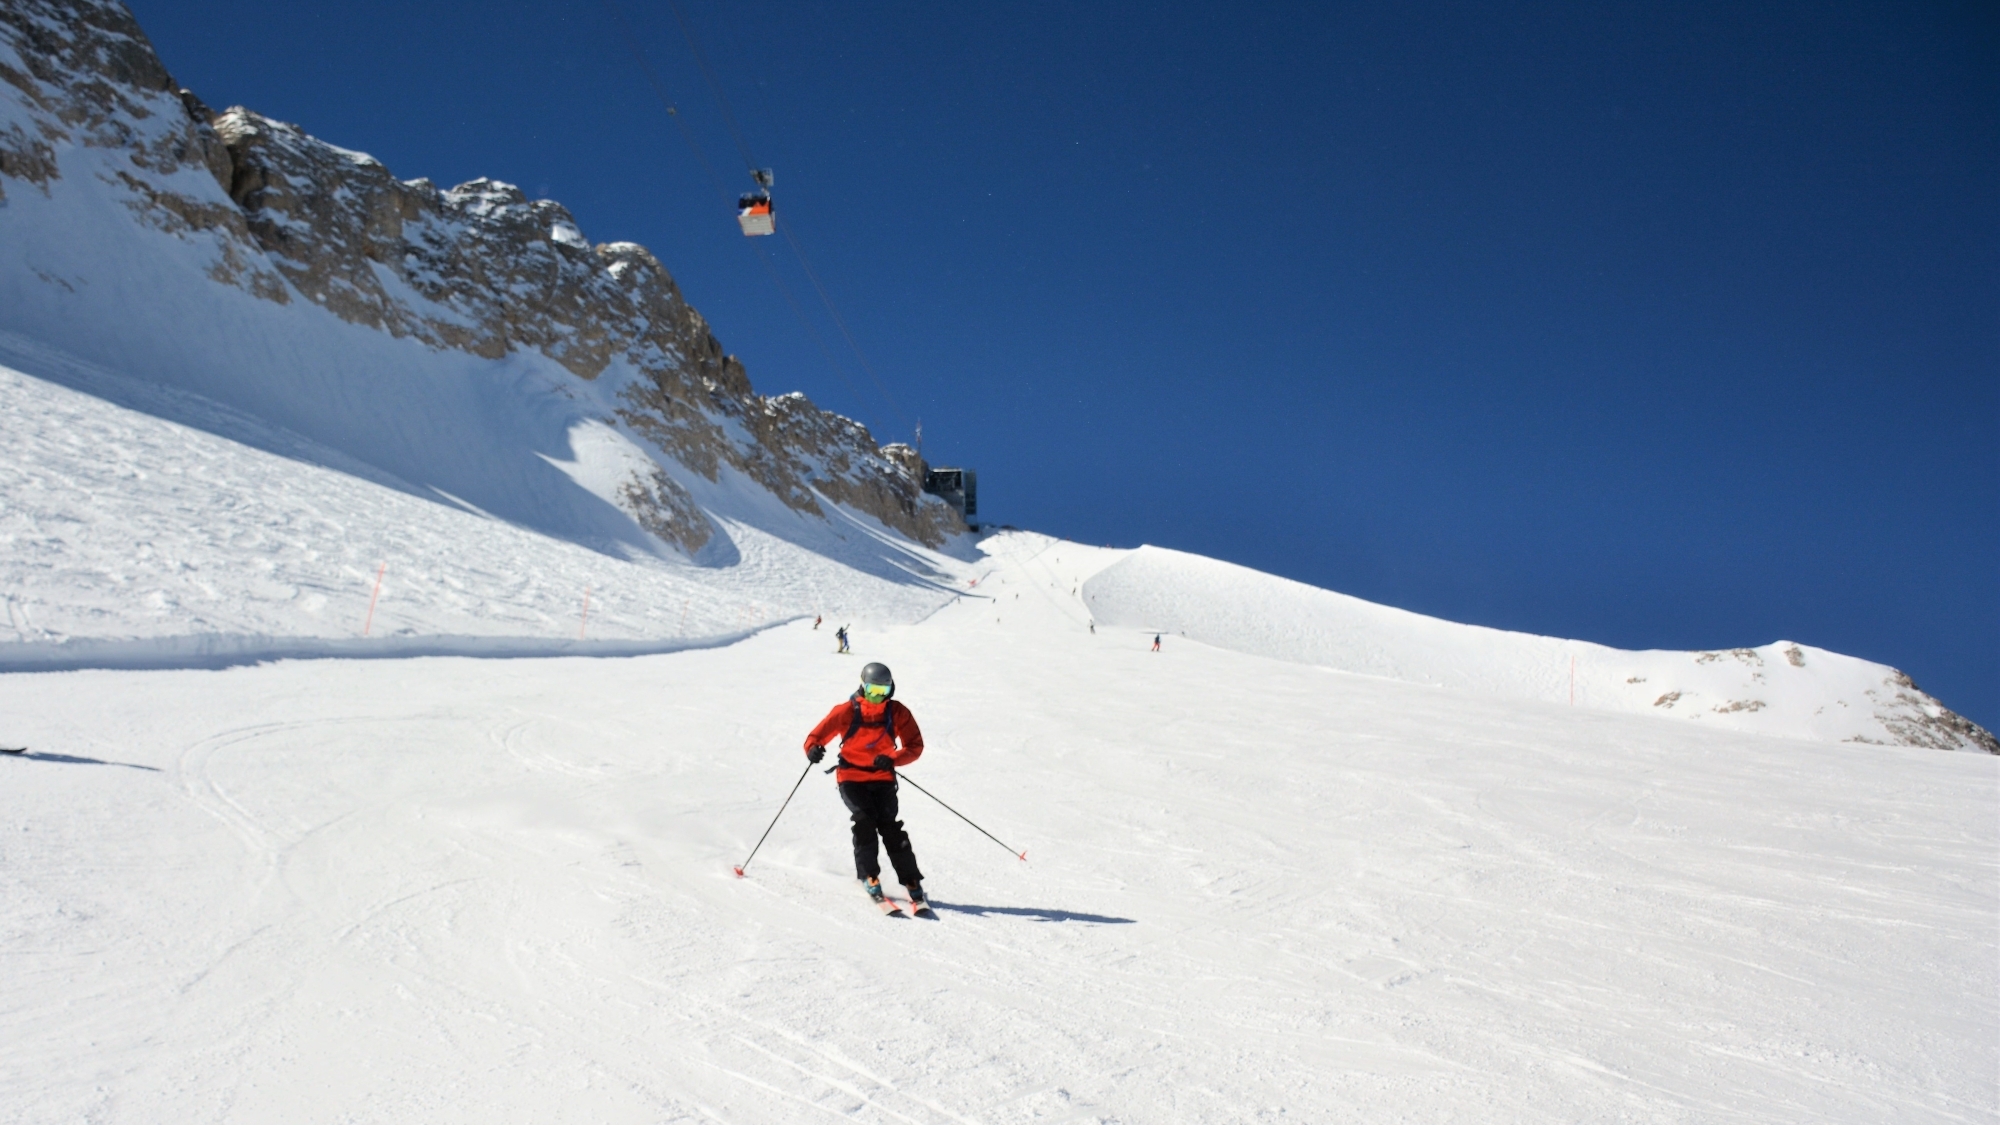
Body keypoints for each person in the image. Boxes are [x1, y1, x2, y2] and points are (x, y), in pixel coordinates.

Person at [803, 663, 929, 913]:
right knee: (864, 822)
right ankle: (869, 875)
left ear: (891, 689)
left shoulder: (897, 712)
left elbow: (915, 745)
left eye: (883, 690)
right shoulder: (847, 711)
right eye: (872, 690)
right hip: (851, 777)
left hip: (882, 777)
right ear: (862, 685)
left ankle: (911, 880)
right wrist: (813, 749)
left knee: (890, 827)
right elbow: (816, 736)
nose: (877, 695)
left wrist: (894, 758)